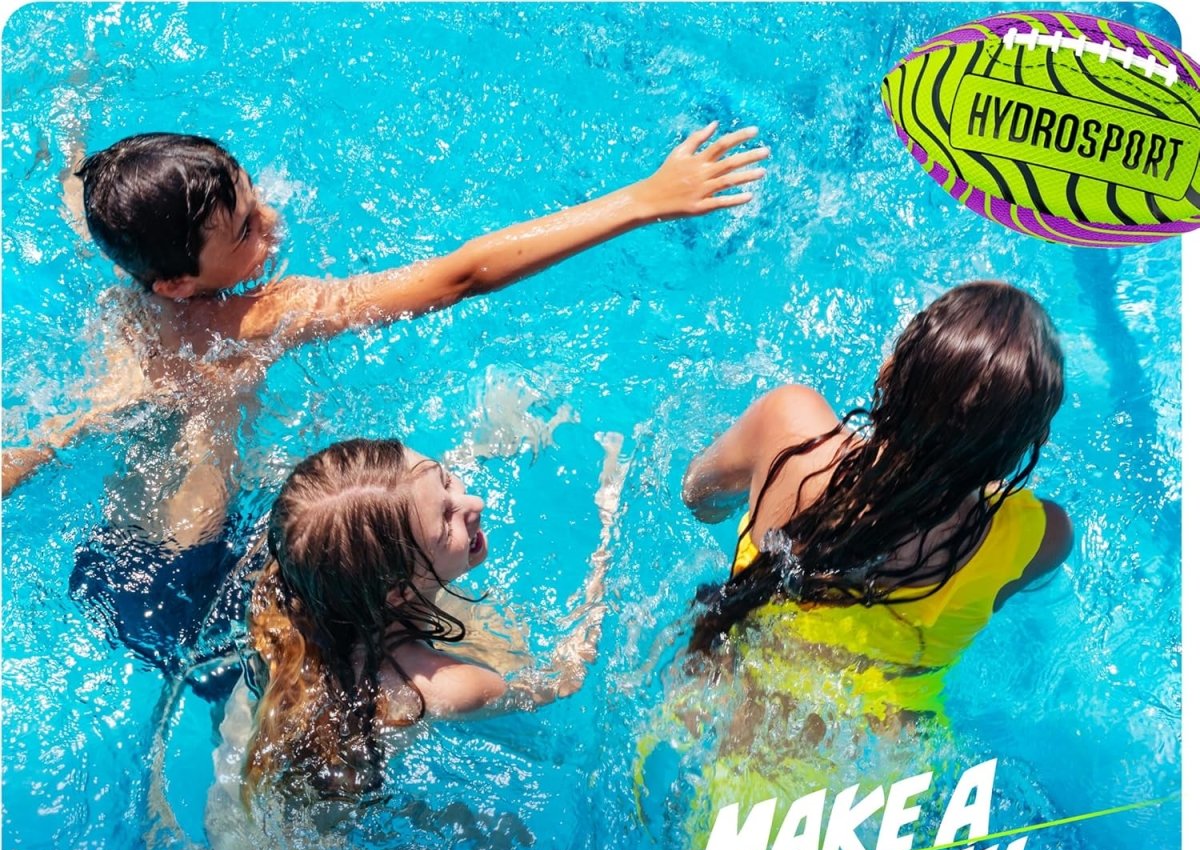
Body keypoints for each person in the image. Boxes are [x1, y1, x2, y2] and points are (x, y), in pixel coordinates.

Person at [2, 124, 767, 510]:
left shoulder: (118, 248)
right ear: (175, 283)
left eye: (249, 191)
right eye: (245, 231)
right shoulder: (266, 314)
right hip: (195, 514)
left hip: (127, 445)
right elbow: (457, 276)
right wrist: (641, 199)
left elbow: (56, 430)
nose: (273, 218)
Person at [679, 280, 1073, 748]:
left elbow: (699, 497)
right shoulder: (1039, 537)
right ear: (1032, 444)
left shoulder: (790, 429)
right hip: (888, 764)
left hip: (729, 720)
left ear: (889, 371)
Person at [240, 433, 627, 803]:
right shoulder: (449, 687)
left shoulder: (294, 582)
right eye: (447, 522)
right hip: (328, 840)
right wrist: (609, 541)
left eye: (446, 479)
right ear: (397, 591)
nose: (474, 503)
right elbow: (564, 680)